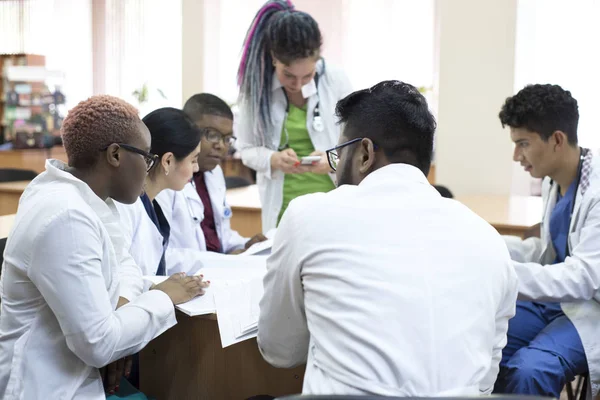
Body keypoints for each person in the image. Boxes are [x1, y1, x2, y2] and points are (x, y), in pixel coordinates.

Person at [258, 81, 519, 396]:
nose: (335, 168)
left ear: (365, 153)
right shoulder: (487, 238)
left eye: (339, 155)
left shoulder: (310, 215)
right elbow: (486, 373)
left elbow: (279, 350)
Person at [0, 95, 208, 399]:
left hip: (78, 379)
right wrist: (163, 297)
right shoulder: (66, 216)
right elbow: (99, 344)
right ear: (115, 155)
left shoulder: (91, 200)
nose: (149, 166)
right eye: (147, 157)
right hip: (49, 388)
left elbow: (126, 264)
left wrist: (122, 309)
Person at [493, 84, 600, 398]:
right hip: (559, 301)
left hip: (591, 307)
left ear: (557, 140)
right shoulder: (558, 181)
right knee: (483, 340)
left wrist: (502, 273)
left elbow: (584, 277)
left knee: (530, 370)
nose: (516, 156)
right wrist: (489, 247)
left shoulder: (596, 193)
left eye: (523, 143)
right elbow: (550, 252)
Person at [236, 0, 353, 232]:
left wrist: (331, 162)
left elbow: (359, 150)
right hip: (283, 214)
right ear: (273, 58)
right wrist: (273, 159)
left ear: (317, 61)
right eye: (288, 75)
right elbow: (247, 149)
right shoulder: (256, 90)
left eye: (307, 76)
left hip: (332, 209)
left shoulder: (336, 81)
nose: (297, 84)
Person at [156, 94, 267, 262]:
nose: (221, 145)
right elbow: (160, 254)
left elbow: (220, 235)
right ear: (187, 129)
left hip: (215, 270)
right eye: (212, 134)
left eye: (227, 138)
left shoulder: (214, 173)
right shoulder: (164, 179)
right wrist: (222, 261)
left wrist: (245, 246)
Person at [116, 107, 203, 277]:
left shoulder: (150, 204)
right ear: (168, 161)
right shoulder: (126, 208)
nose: (197, 168)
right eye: (193, 160)